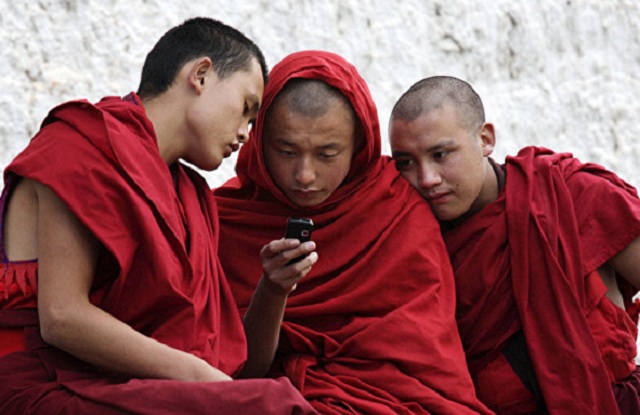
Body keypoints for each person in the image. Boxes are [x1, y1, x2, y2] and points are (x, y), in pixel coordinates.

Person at [0, 17, 316, 414]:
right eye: (246, 109)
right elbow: (63, 317)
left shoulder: (193, 199)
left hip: (127, 384)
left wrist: (273, 289)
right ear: (200, 75)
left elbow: (233, 365)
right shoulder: (81, 143)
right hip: (44, 381)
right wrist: (204, 380)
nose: (245, 134)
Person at [214, 50, 493, 414]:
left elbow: (427, 369)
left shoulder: (396, 208)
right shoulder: (226, 221)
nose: (305, 176)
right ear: (257, 139)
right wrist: (272, 291)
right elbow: (233, 370)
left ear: (359, 147)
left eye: (328, 154)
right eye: (285, 151)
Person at [388, 75, 640, 414]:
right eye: (406, 163)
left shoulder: (567, 195)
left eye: (441, 154)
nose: (426, 178)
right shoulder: (408, 243)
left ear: (485, 139)